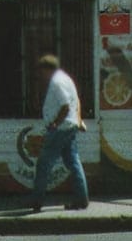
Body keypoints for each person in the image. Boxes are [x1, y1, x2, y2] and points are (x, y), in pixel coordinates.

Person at [27, 54, 89, 212]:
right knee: (73, 162)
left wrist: (55, 124)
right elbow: (77, 101)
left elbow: (65, 106)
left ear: (47, 69)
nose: (40, 76)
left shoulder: (56, 82)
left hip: (60, 129)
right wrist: (79, 119)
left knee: (43, 164)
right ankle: (82, 200)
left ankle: (36, 201)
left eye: (41, 72)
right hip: (71, 126)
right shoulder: (66, 79)